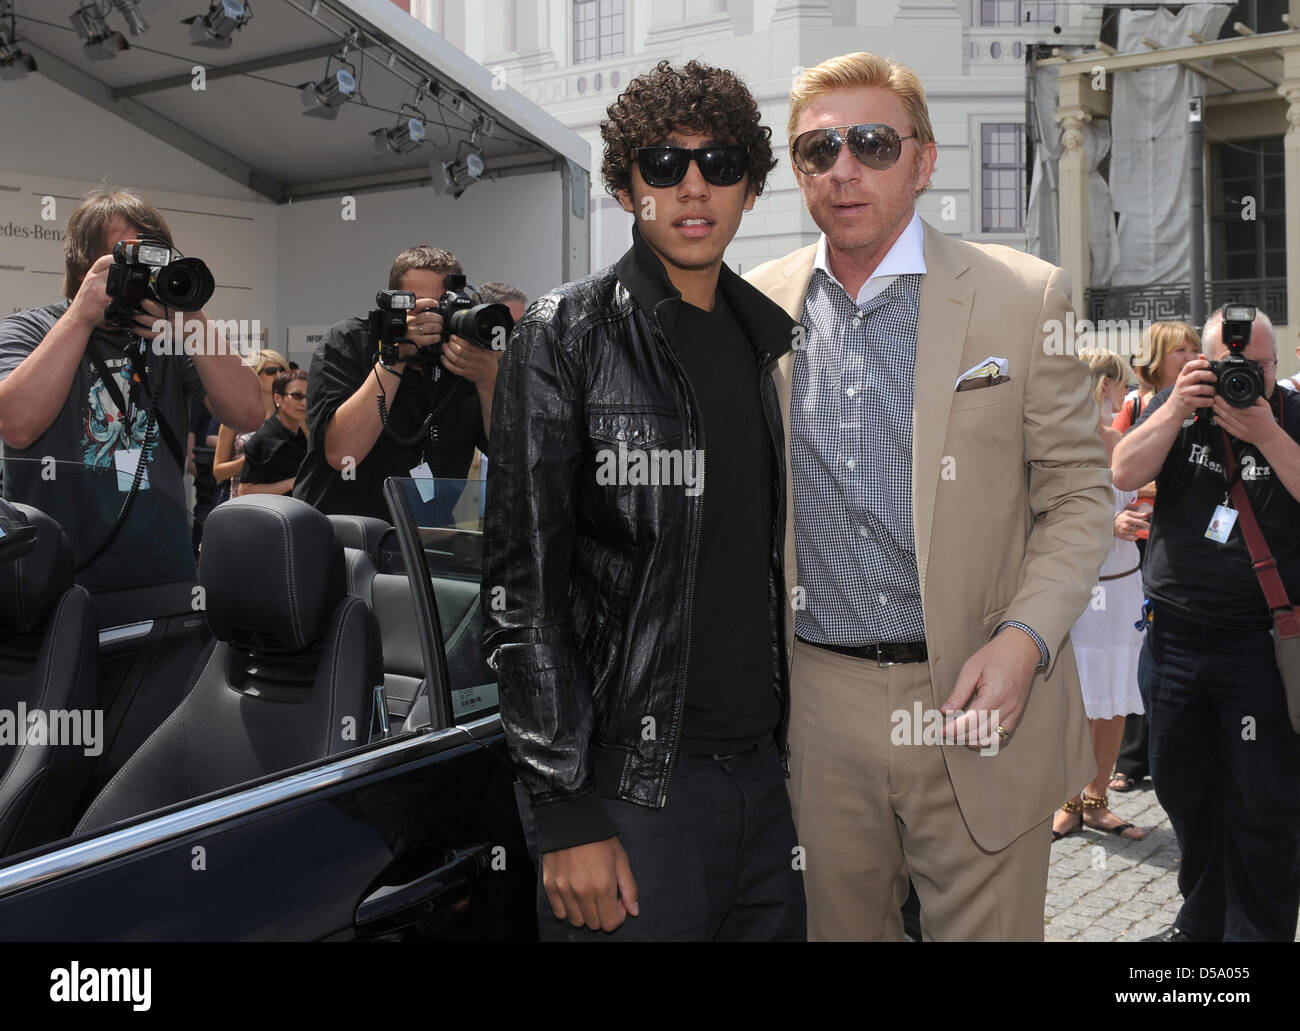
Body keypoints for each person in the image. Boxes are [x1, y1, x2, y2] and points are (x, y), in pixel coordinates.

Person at [745, 51, 1113, 941]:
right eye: (816, 149)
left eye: (871, 142)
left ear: (923, 158)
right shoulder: (757, 307)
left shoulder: (1023, 296)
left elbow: (1079, 495)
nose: (844, 168)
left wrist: (1024, 641)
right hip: (821, 701)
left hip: (982, 689)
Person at [482, 59, 805, 941]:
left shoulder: (771, 344)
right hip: (633, 790)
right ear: (627, 187)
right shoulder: (565, 335)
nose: (692, 187)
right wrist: (564, 807)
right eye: (662, 164)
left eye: (720, 163)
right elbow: (521, 596)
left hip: (768, 787)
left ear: (750, 187)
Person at [1112, 305, 1300, 942]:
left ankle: (1258, 936)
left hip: (1259, 647)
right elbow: (1123, 471)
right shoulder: (1178, 410)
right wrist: (1173, 408)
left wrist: (1267, 432)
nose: (1244, 379)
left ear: (1279, 364)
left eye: (1258, 368)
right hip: (1173, 638)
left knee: (1263, 798)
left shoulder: (1294, 417)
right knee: (1181, 784)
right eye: (1229, 368)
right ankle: (1202, 926)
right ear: (1205, 364)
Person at [0, 185, 262, 596]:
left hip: (162, 578)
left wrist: (191, 315)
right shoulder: (29, 330)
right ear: (85, 266)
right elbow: (15, 425)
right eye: (130, 260)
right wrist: (81, 316)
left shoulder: (172, 340)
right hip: (52, 586)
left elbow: (248, 414)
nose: (145, 277)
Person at [292, 246, 497, 521]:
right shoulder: (350, 342)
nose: (432, 321)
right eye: (421, 307)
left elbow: (509, 454)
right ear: (394, 304)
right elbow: (342, 454)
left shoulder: (464, 358)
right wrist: (394, 355)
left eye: (441, 308)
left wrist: (488, 380)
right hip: (342, 539)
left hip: (424, 542)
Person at [1053, 349, 1148, 842]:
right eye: (1119, 384)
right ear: (1103, 385)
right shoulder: (1061, 443)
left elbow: (1147, 493)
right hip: (1080, 592)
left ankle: (1097, 800)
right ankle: (1068, 799)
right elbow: (1044, 512)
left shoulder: (1124, 442)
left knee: (1111, 699)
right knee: (1077, 698)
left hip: (1122, 584)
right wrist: (1107, 522)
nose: (1125, 393)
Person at [1109, 321, 1200, 794]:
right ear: (1156, 357)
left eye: (1194, 349)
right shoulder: (1137, 404)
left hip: (1178, 547)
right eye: (1177, 350)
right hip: (1139, 540)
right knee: (1142, 652)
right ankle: (1129, 758)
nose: (1188, 357)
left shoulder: (1216, 403)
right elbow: (1113, 469)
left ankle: (1140, 757)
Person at [213, 348, 288, 502]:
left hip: (285, 503)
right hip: (244, 505)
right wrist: (250, 459)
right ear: (254, 374)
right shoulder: (235, 416)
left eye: (283, 371)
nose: (279, 376)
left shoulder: (293, 415)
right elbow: (218, 471)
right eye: (271, 371)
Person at [240, 369, 309, 496]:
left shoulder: (300, 435)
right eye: (296, 396)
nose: (304, 403)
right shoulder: (263, 439)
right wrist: (294, 482)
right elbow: (245, 491)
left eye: (308, 396)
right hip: (269, 514)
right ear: (277, 398)